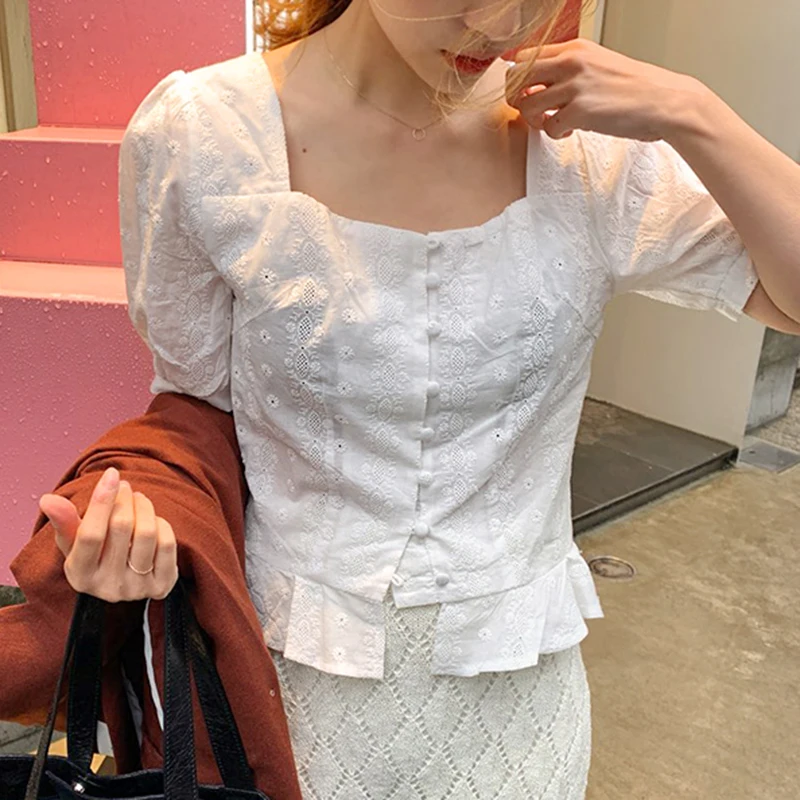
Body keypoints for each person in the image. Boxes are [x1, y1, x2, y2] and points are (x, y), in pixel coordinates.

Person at [39, 0, 800, 797]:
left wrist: (693, 112)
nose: (502, 23)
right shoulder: (203, 137)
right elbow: (196, 411)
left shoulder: (586, 149)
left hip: (519, 712)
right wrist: (140, 529)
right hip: (290, 702)